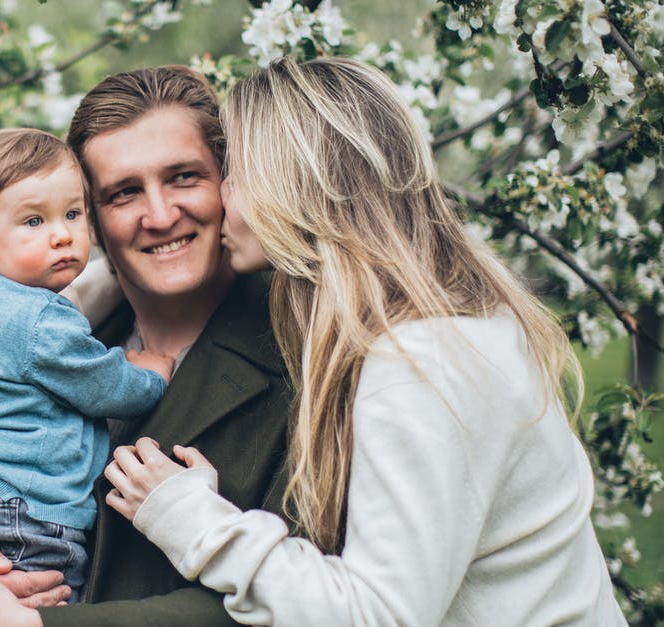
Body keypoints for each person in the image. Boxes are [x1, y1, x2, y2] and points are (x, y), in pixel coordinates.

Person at [104, 57, 626, 626]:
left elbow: (380, 615)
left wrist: (191, 517)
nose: (221, 197)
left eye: (235, 173)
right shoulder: (438, 331)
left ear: (295, 184)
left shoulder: (422, 364)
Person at [0, 66, 294, 626]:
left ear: (228, 187)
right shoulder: (63, 332)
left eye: (184, 177)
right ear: (95, 219)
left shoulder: (303, 356)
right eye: (124, 192)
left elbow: (303, 601)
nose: (159, 216)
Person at [0, 128, 174, 603]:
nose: (62, 235)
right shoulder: (40, 317)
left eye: (73, 214)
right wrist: (150, 374)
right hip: (16, 506)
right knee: (50, 597)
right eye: (33, 221)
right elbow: (103, 386)